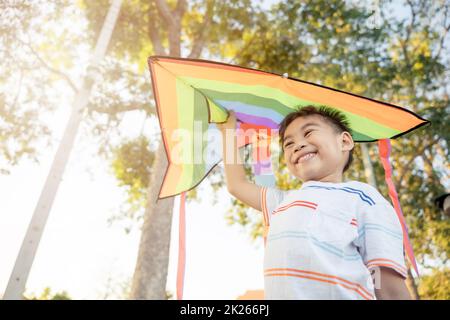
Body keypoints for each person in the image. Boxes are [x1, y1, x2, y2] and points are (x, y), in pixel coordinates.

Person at [217, 105, 412, 300]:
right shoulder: (283, 202)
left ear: (344, 141)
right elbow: (237, 185)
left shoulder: (364, 198)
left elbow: (389, 286)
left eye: (309, 133)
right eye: (288, 143)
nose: (298, 145)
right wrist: (228, 134)